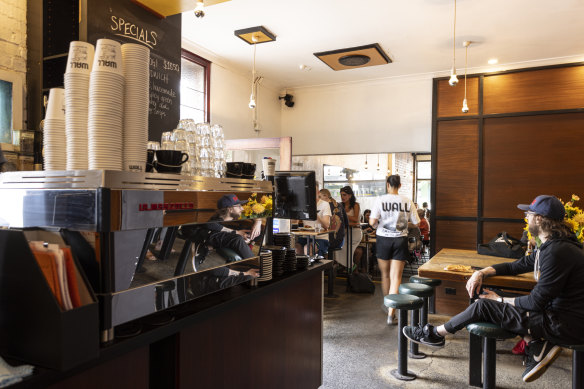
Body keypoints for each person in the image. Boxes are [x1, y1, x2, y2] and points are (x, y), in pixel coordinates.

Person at [403, 195, 584, 383]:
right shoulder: (552, 246)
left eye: (528, 214)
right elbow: (518, 266)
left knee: (484, 305)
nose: (526, 218)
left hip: (565, 325)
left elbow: (536, 302)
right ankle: (536, 344)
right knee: (489, 296)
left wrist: (498, 300)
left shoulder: (557, 252)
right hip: (558, 316)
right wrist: (482, 272)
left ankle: (434, 334)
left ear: (539, 219)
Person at [369, 175, 419, 324]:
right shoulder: (407, 201)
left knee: (385, 275)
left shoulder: (380, 199)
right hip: (400, 240)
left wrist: (377, 224)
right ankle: (392, 314)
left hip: (383, 239)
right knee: (396, 278)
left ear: (387, 185)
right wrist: (403, 225)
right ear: (400, 185)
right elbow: (417, 223)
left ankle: (387, 304)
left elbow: (372, 222)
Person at [295, 185, 331, 257]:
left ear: (317, 193)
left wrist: (314, 213)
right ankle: (302, 268)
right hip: (305, 237)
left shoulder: (325, 204)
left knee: (307, 248)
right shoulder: (303, 204)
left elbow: (326, 225)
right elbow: (295, 222)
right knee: (296, 249)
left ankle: (312, 267)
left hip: (320, 238)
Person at [339, 186, 363, 272]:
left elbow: (356, 219)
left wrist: (344, 215)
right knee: (339, 246)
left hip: (355, 232)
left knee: (344, 246)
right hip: (345, 231)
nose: (342, 197)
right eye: (341, 195)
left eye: (344, 195)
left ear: (350, 195)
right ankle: (350, 265)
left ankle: (348, 265)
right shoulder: (340, 205)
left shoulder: (355, 205)